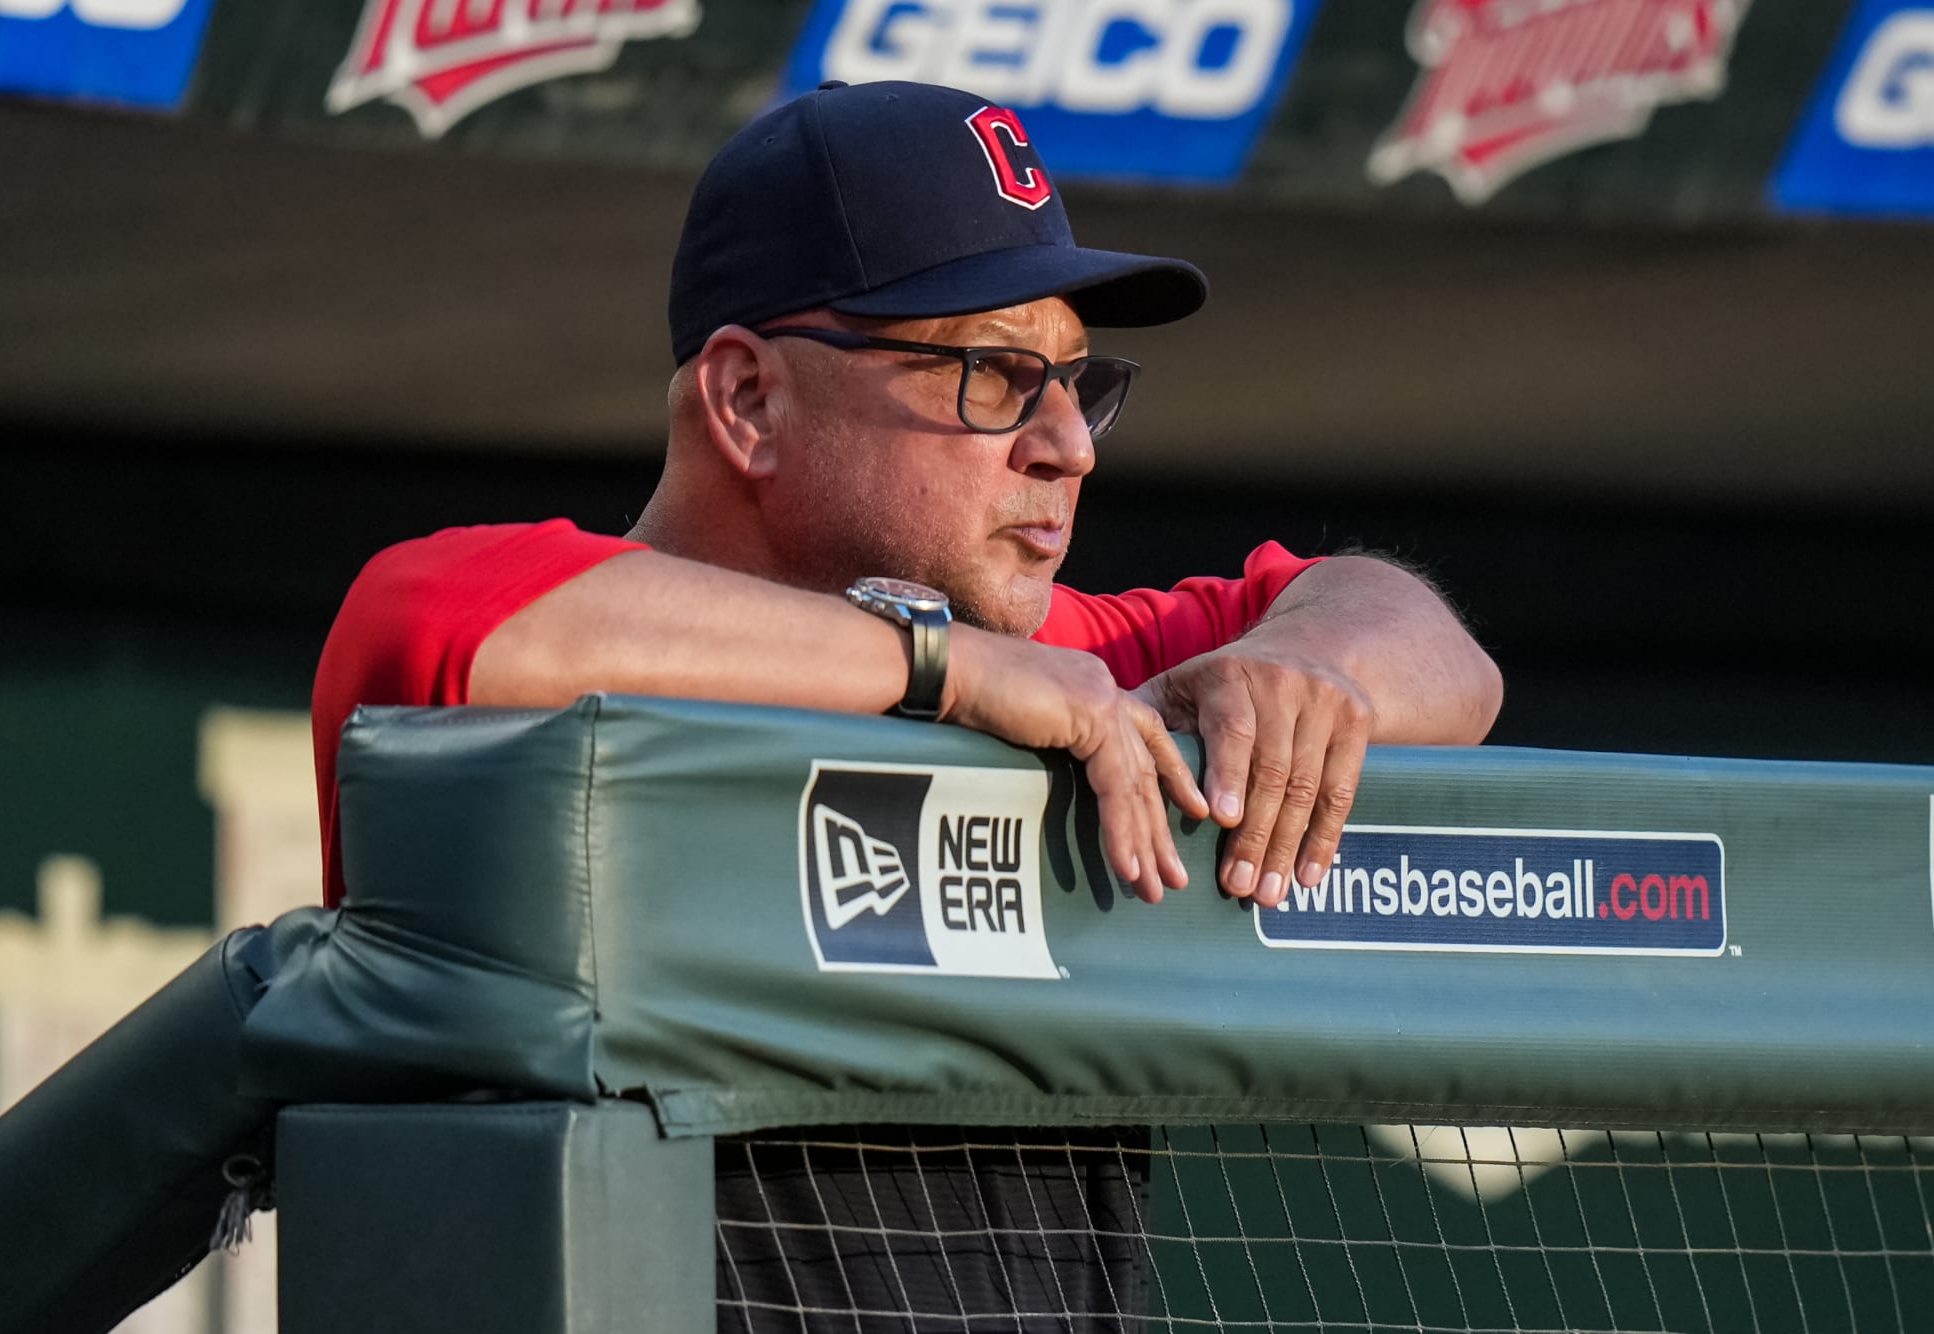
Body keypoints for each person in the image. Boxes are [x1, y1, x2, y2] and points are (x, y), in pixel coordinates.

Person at [312, 80, 1501, 1332]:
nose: (1066, 445)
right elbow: (436, 621)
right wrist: (942, 666)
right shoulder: (564, 646)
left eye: (1074, 383)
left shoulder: (1070, 655)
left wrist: (1307, 670)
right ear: (748, 401)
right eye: (991, 375)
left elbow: (1427, 645)